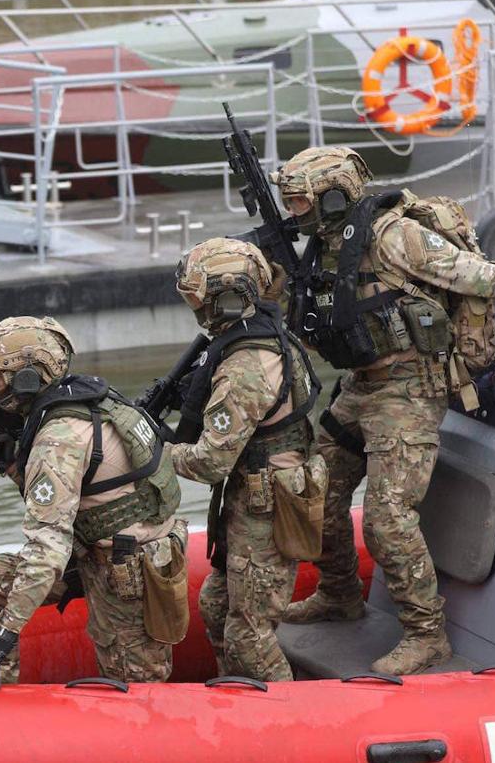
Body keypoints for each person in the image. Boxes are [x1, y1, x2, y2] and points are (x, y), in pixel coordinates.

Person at [273, 146, 495, 675]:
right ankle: (338, 594)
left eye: (301, 200)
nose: (294, 211)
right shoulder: (322, 247)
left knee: (387, 521)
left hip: (410, 388)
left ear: (333, 196)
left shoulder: (395, 237)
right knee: (317, 492)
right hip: (363, 383)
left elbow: (480, 276)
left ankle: (427, 632)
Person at [0, 317, 188, 694]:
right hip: (100, 550)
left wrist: (0, 645)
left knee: (136, 693)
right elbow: (84, 496)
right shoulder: (92, 398)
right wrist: (14, 465)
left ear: (28, 379)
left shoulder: (59, 438)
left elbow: (45, 550)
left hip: (127, 572)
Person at [168, 238, 324, 682]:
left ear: (230, 297)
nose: (196, 308)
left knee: (249, 637)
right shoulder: (253, 336)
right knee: (216, 608)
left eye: (199, 297)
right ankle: (239, 703)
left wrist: (159, 453)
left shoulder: (248, 363)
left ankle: (288, 724)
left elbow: (210, 463)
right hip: (250, 497)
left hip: (268, 507)